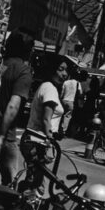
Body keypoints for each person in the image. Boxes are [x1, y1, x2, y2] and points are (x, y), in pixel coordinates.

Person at [18, 54, 72, 194]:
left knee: (35, 181)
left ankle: (21, 201)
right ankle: (18, 203)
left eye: (66, 70)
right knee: (35, 184)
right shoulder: (49, 89)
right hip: (36, 141)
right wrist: (50, 140)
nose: (64, 74)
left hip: (35, 140)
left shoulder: (48, 87)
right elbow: (46, 119)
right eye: (60, 69)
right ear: (51, 69)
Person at [0, 29, 35, 186]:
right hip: (3, 133)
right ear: (27, 50)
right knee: (10, 182)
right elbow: (13, 106)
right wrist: (1, 136)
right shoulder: (23, 71)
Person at [60, 72, 82, 137]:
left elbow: (62, 92)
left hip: (63, 100)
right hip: (71, 101)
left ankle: (58, 128)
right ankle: (63, 131)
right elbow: (80, 93)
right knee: (67, 117)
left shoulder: (65, 82)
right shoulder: (78, 83)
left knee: (60, 114)